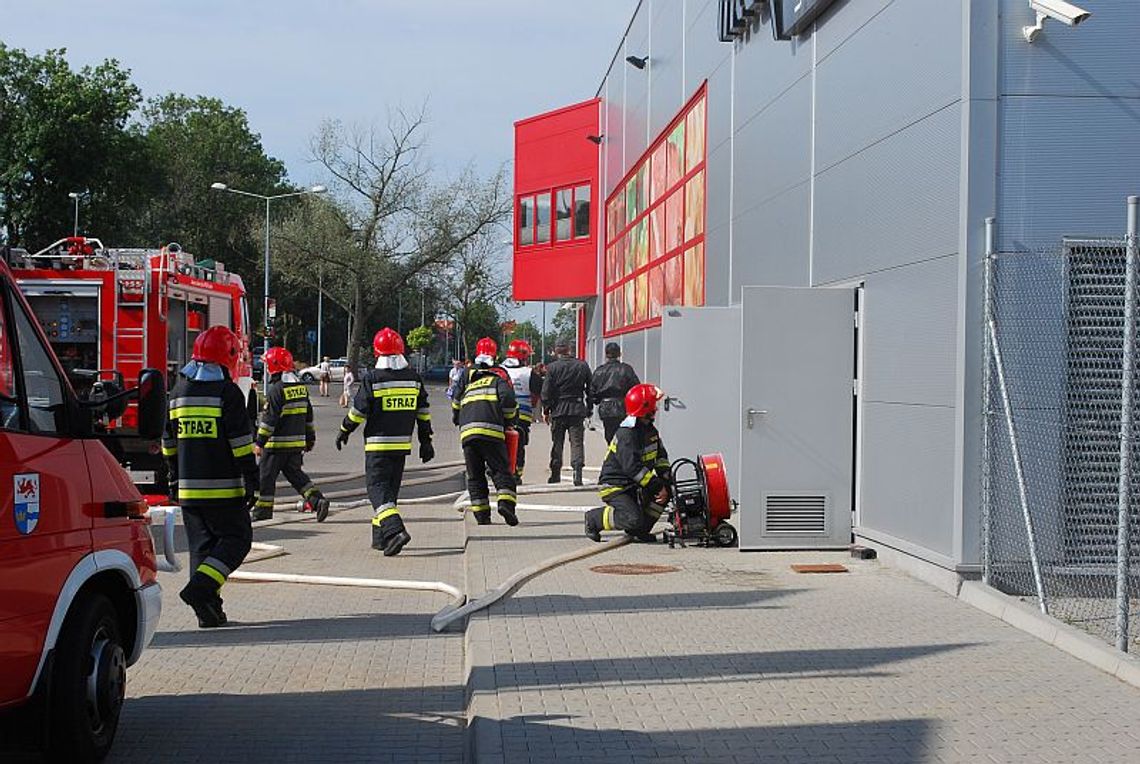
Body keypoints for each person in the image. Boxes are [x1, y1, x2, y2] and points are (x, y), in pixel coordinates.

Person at [162, 325, 258, 628]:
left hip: (189, 491)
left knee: (201, 549)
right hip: (224, 490)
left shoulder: (178, 392)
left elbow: (168, 442)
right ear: (227, 356)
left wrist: (174, 479)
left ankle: (209, 611)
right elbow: (241, 442)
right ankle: (200, 590)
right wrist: (251, 478)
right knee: (237, 540)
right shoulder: (226, 393)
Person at [336, 328, 434, 555]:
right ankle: (381, 538)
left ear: (377, 352)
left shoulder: (372, 379)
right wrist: (425, 440)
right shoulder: (413, 379)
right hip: (402, 446)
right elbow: (423, 412)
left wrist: (344, 430)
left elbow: (358, 412)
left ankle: (394, 530)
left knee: (377, 490)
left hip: (378, 446)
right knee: (389, 492)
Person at [584, 384, 671, 544]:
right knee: (632, 518)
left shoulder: (649, 430)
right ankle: (594, 519)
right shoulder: (627, 434)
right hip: (615, 486)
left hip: (634, 484)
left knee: (666, 493)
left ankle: (640, 530)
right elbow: (633, 468)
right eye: (654, 404)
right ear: (646, 408)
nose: (656, 409)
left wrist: (666, 478)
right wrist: (657, 486)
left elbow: (660, 457)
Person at [251, 346, 329, 522]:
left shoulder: (276, 390)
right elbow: (308, 416)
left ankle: (262, 511)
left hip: (275, 446)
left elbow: (269, 421)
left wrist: (259, 443)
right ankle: (317, 500)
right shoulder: (301, 388)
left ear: (274, 366)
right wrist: (310, 439)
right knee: (296, 476)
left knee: (265, 477)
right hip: (295, 445)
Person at [452, 337, 520, 526]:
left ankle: (482, 517)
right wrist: (509, 421)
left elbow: (456, 401)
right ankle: (506, 504)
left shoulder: (468, 375)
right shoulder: (499, 377)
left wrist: (458, 419)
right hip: (492, 431)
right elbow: (508, 400)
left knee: (475, 476)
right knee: (500, 470)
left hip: (468, 433)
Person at [541, 337, 592, 485]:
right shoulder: (582, 366)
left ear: (557, 350)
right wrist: (588, 408)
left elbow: (546, 392)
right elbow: (590, 388)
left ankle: (555, 473)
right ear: (569, 349)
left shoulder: (552, 368)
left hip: (558, 409)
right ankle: (577, 471)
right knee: (577, 442)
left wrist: (546, 410)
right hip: (576, 408)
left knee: (557, 442)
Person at [502, 339, 543, 482]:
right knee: (518, 447)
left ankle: (501, 471)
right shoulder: (529, 373)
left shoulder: (499, 370)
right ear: (524, 356)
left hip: (501, 415)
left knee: (500, 443)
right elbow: (539, 392)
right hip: (522, 417)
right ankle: (516, 474)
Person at [591, 342, 641, 445]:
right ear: (619, 354)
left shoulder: (599, 371)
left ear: (606, 354)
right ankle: (622, 457)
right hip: (622, 406)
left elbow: (592, 392)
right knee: (625, 436)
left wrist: (594, 402)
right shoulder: (626, 369)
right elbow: (636, 388)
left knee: (610, 437)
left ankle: (613, 456)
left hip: (606, 408)